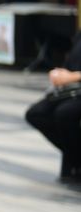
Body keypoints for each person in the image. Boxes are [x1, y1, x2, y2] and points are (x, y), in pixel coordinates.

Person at [25, 31, 81, 183]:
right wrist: (60, 73)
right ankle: (76, 157)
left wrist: (73, 76)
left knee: (65, 114)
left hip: (76, 88)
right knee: (36, 113)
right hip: (71, 90)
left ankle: (74, 161)